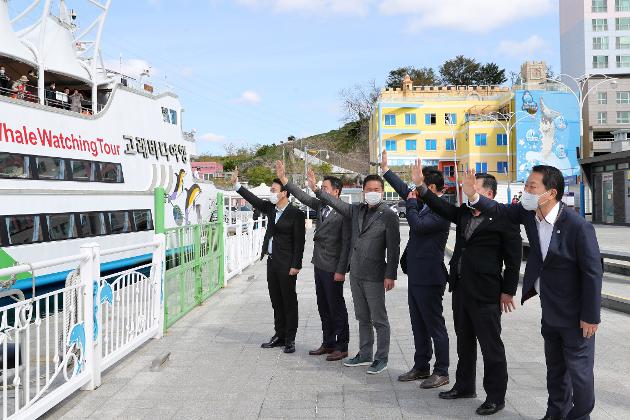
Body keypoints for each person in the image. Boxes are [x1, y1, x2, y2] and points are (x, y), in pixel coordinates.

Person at [469, 165, 602, 420]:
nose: (526, 191)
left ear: (550, 193)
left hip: (576, 316)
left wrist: (591, 316)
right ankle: (555, 414)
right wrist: (475, 196)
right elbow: (500, 211)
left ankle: (580, 416)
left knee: (581, 376)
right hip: (550, 310)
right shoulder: (530, 213)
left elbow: (592, 274)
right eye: (526, 185)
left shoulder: (578, 226)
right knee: (555, 371)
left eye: (532, 186)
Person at [412, 159, 522, 416]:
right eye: (467, 187)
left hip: (486, 292)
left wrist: (508, 291)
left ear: (490, 194)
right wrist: (421, 186)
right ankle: (464, 386)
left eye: (474, 188)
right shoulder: (462, 213)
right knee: (465, 343)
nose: (469, 191)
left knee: (491, 347)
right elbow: (439, 205)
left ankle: (496, 397)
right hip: (461, 289)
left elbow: (514, 260)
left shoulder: (503, 217)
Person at [308, 168, 399, 375]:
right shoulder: (357, 210)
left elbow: (393, 248)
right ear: (363, 191)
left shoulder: (389, 216)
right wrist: (316, 190)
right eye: (369, 189)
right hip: (356, 273)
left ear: (382, 192)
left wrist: (390, 274)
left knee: (379, 319)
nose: (372, 192)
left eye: (376, 189)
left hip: (376, 274)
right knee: (362, 317)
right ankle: (365, 353)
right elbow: (336, 203)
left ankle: (381, 358)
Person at [380, 151, 451, 389]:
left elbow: (418, 226)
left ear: (430, 187)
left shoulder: (441, 210)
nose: (414, 192)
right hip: (417, 275)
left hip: (431, 277)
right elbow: (405, 191)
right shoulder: (424, 203)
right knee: (418, 324)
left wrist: (411, 203)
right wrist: (386, 171)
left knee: (434, 326)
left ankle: (442, 371)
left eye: (419, 187)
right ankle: (421, 366)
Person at [276, 161, 351, 361]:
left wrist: (341, 269)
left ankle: (341, 345)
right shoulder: (321, 205)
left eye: (325, 188)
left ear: (336, 192)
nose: (321, 192)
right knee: (323, 306)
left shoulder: (345, 212)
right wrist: (284, 179)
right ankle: (328, 343)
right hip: (319, 264)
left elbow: (346, 244)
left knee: (336, 307)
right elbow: (302, 196)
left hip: (334, 267)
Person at [232, 168, 305, 354]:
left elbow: (300, 241)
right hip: (272, 262)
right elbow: (254, 200)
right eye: (271, 190)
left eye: (274, 190)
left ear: (284, 193)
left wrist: (296, 265)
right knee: (276, 300)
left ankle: (290, 338)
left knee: (289, 301)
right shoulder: (271, 209)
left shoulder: (296, 214)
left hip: (287, 264)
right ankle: (279, 335)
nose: (271, 193)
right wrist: (237, 185)